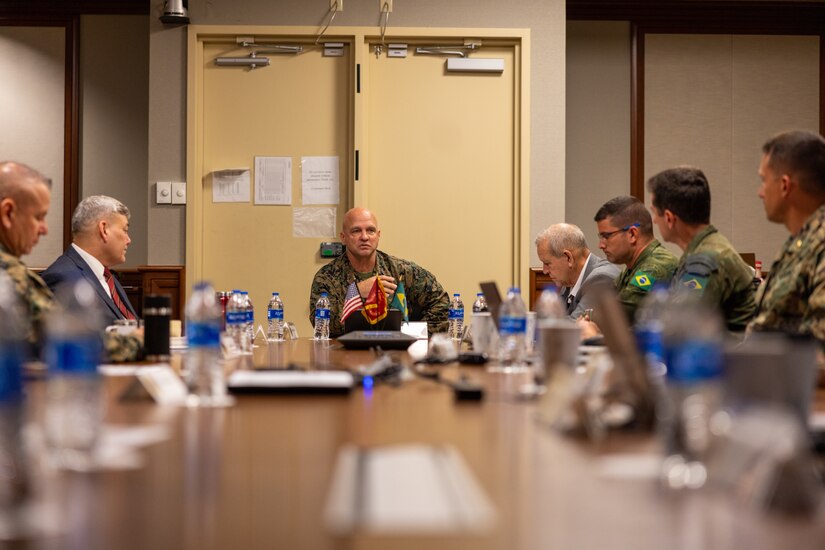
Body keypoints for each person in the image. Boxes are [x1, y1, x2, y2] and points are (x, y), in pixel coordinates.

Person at [309, 207, 449, 337]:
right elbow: (321, 325)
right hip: (344, 354)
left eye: (370, 230)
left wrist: (413, 337)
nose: (364, 237)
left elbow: (441, 303)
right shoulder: (326, 276)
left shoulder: (401, 270)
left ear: (378, 235)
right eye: (356, 231)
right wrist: (356, 292)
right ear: (343, 237)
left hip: (395, 353)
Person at [647, 166, 756, 332]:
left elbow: (679, 330)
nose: (654, 221)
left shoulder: (705, 259)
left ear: (669, 218)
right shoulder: (703, 248)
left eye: (655, 213)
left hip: (727, 356)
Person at [748, 130, 825, 345]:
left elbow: (819, 356)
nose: (760, 192)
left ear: (785, 185)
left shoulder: (820, 244)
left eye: (763, 180)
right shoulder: (799, 241)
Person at [41, 195, 138, 327]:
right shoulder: (63, 278)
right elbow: (79, 339)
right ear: (104, 230)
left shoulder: (107, 277)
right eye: (125, 230)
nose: (129, 240)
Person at [594, 195, 678, 321]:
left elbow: (619, 316)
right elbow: (601, 308)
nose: (601, 245)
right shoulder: (630, 269)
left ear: (632, 234)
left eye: (607, 236)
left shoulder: (655, 266)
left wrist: (590, 318)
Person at [0, 161, 53, 352]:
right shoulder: (9, 275)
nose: (44, 229)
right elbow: (64, 337)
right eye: (38, 217)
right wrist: (140, 338)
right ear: (8, 213)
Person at [534, 223, 619, 319]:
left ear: (568, 258)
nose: (545, 271)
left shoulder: (602, 279)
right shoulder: (568, 279)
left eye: (547, 263)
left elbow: (574, 327)